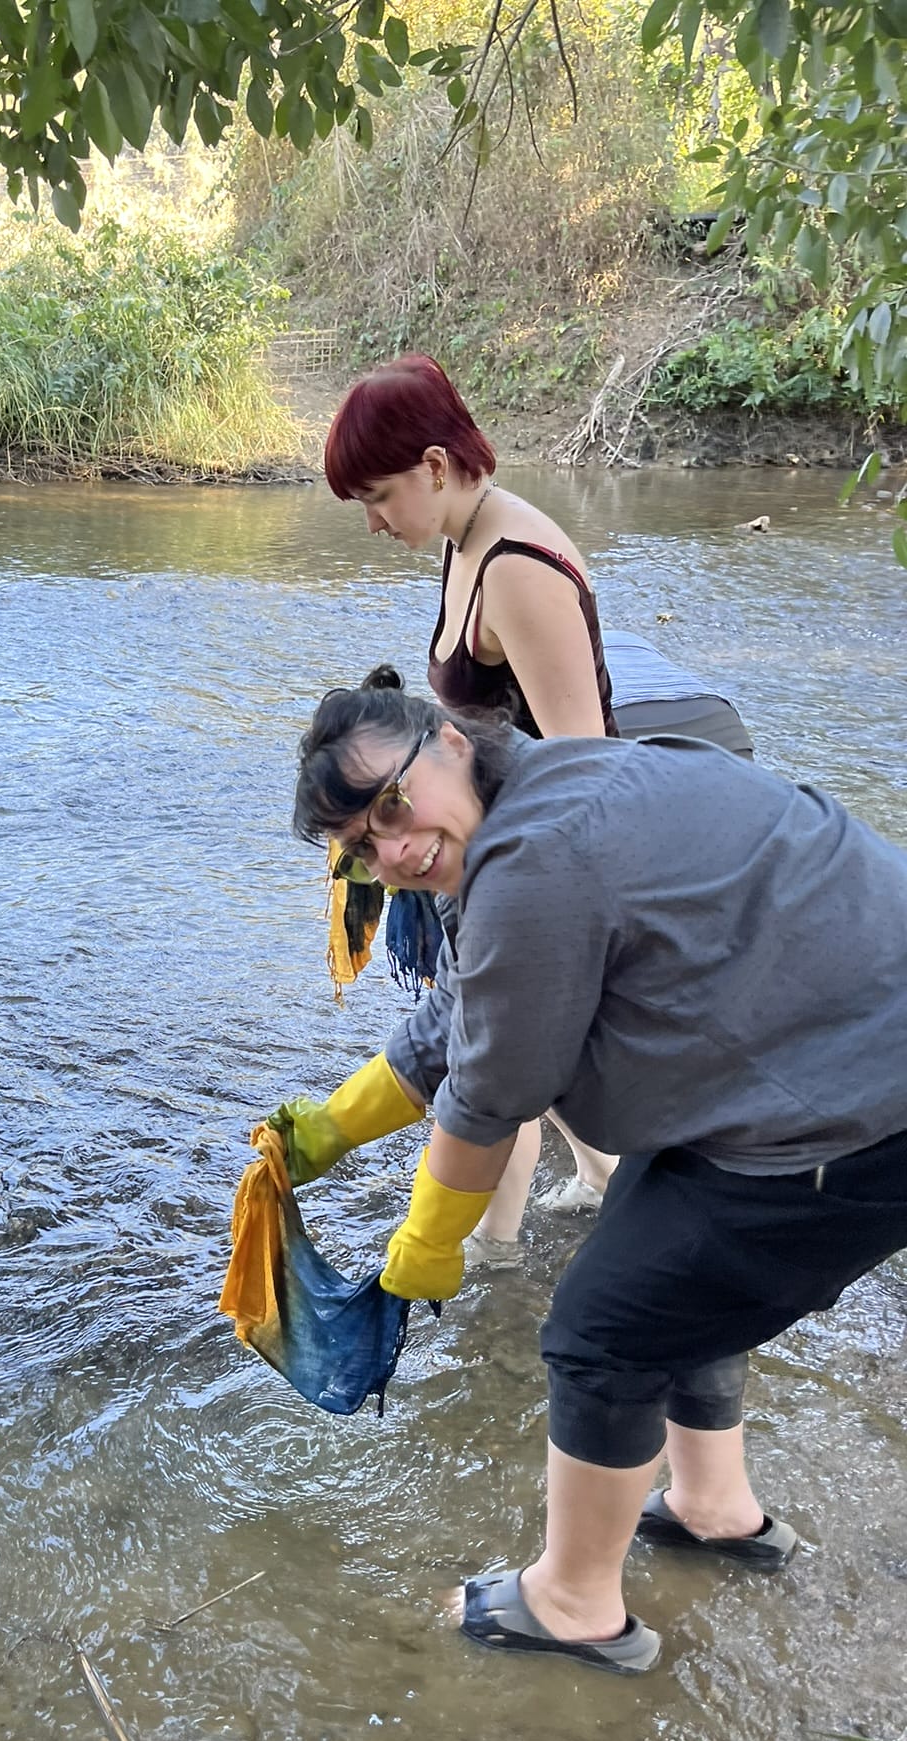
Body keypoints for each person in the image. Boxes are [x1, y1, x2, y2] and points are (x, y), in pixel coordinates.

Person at [271, 686, 907, 1673]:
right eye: (360, 848)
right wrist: (327, 1130)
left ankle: (572, 1603)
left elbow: (492, 1096)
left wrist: (423, 1249)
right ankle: (713, 1507)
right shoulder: (537, 786)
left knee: (599, 1328)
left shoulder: (533, 862)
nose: (390, 852)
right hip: (807, 1054)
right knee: (667, 1263)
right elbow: (467, 1018)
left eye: (391, 808)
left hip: (856, 1104)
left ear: (448, 741)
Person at [322, 355, 754, 1260]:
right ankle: (566, 1212)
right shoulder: (462, 538)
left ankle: (497, 1262)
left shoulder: (518, 568)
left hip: (537, 865)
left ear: (435, 467)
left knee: (496, 1060)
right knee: (515, 1063)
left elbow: (587, 765)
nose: (372, 522)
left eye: (378, 497)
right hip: (488, 853)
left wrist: (537, 925)